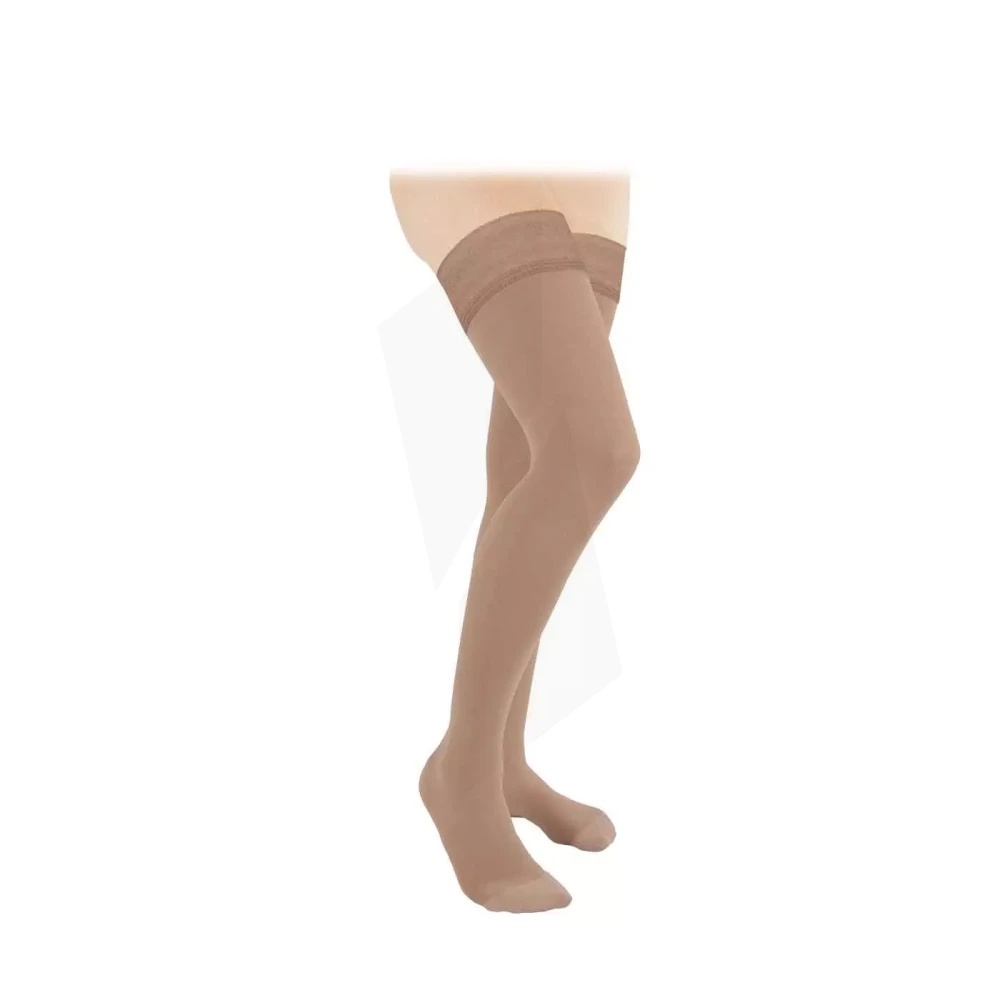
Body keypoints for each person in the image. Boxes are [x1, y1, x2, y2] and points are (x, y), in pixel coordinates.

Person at [389, 173, 639, 912]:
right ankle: (461, 774)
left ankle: (503, 764)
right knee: (591, 451)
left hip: (588, 168)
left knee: (535, 461)